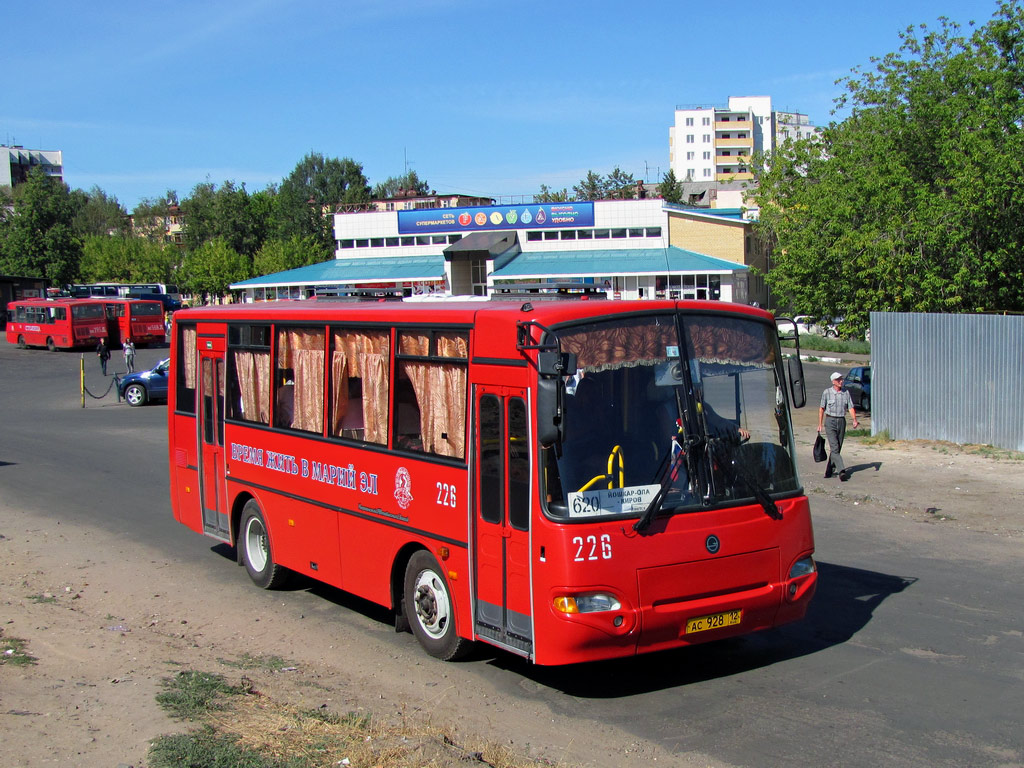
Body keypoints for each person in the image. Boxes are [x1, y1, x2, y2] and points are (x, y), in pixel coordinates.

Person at [818, 371, 859, 481]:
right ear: (833, 382)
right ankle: (842, 471)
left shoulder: (846, 393)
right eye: (838, 380)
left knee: (837, 447)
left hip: (841, 421)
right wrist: (820, 424)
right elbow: (822, 408)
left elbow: (850, 407)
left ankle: (828, 470)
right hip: (830, 421)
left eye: (841, 379)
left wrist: (854, 420)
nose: (841, 381)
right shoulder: (827, 392)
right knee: (834, 447)